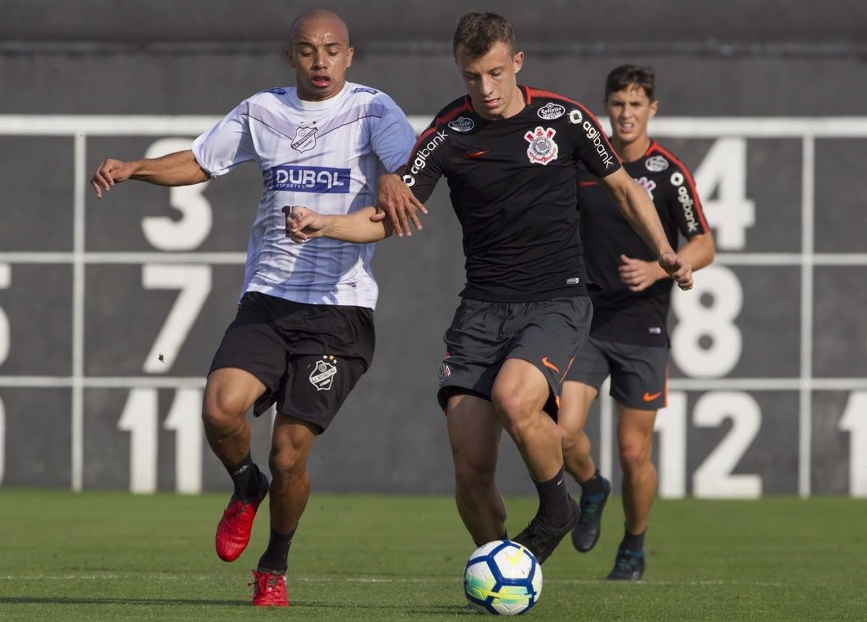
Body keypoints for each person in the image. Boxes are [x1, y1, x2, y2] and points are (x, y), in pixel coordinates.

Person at [287, 12, 694, 566]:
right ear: (460, 72)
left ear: (517, 64)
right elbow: (389, 216)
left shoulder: (564, 119)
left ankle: (558, 508)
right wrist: (325, 223)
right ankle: (502, 570)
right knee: (471, 473)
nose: (486, 88)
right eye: (472, 76)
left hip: (556, 299)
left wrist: (666, 252)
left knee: (513, 398)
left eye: (496, 73)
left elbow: (624, 189)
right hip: (480, 310)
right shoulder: (449, 133)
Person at [89, 9, 417, 607]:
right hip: (268, 298)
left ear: (351, 56)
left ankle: (274, 564)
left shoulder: (375, 110)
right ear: (290, 55)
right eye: (308, 50)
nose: (320, 61)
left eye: (332, 50)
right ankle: (245, 485)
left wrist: (396, 177)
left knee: (289, 451)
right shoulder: (261, 110)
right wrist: (136, 167)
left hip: (337, 312)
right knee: (220, 409)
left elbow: (410, 170)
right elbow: (199, 161)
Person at [559, 64, 715, 581]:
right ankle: (592, 487)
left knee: (633, 451)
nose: (626, 114)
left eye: (636, 104)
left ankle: (633, 543)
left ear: (652, 109)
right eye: (618, 103)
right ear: (608, 106)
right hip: (586, 318)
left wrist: (657, 265)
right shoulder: (585, 162)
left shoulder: (668, 172)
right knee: (561, 432)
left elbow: (703, 243)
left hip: (641, 324)